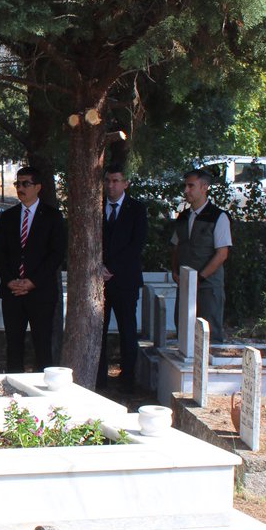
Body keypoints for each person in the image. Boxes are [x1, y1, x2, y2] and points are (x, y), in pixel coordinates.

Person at [0, 166, 66, 373]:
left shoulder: (52, 216)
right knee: (13, 344)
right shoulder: (8, 216)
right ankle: (13, 389)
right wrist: (10, 281)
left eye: (26, 183)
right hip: (12, 290)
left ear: (38, 187)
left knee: (42, 343)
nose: (20, 188)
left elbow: (56, 254)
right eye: (18, 183)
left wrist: (32, 281)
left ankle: (44, 390)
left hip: (40, 291)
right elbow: (0, 252)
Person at [97, 164, 148, 392]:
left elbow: (136, 245)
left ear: (125, 183)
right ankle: (99, 380)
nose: (111, 185)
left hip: (125, 279)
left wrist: (112, 268)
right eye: (107, 180)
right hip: (100, 280)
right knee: (99, 331)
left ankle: (127, 382)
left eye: (116, 180)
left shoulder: (136, 209)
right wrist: (99, 267)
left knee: (128, 330)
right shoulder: (97, 206)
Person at [171, 167, 232, 343]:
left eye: (191, 186)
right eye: (185, 186)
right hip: (184, 283)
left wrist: (201, 277)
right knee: (183, 333)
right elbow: (175, 247)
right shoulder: (183, 216)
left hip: (208, 287)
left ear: (204, 188)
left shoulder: (218, 217)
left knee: (209, 335)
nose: (186, 190)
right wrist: (174, 271)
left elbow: (222, 254)